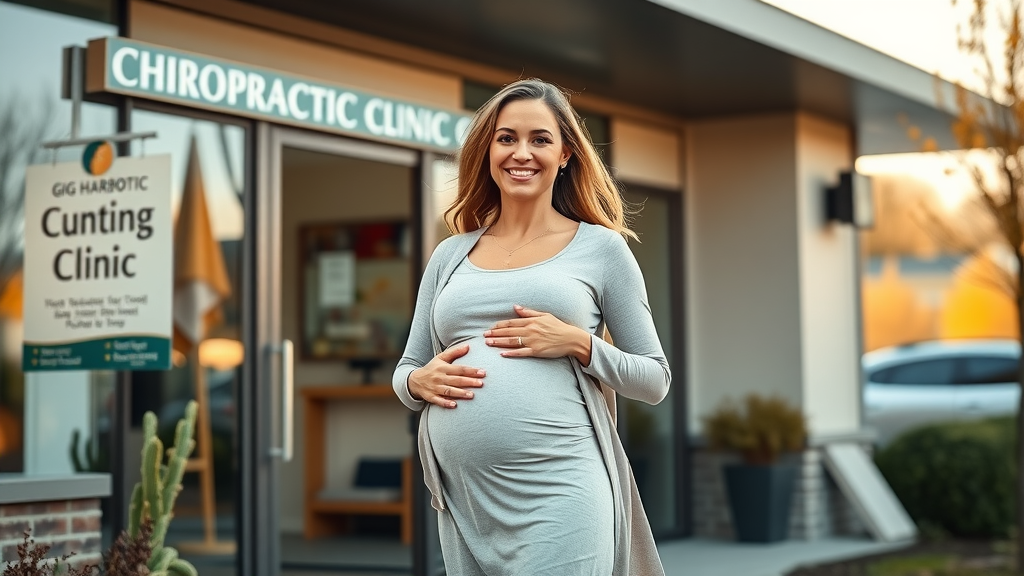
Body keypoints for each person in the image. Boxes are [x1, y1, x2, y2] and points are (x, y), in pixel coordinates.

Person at [392, 78, 671, 576]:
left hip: (561, 491)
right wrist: (416, 382)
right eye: (507, 138)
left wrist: (579, 343)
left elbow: (654, 380)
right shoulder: (450, 254)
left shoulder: (602, 249)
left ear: (565, 154)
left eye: (540, 139)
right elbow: (409, 368)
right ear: (488, 151)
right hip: (467, 500)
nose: (522, 153)